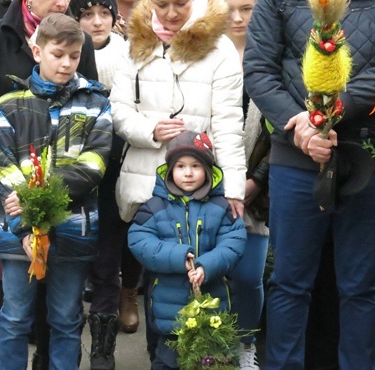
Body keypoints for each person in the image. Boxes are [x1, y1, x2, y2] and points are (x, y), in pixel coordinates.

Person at [243, 0, 375, 368]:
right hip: (295, 154)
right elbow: (259, 69)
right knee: (289, 284)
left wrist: (328, 114)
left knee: (360, 286)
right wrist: (300, 125)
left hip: (366, 152)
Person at [0, 0, 98, 364]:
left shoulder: (77, 45)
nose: (61, 1)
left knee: (63, 305)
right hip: (4, 163)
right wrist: (4, 160)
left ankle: (47, 349)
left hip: (68, 197)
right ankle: (5, 335)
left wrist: (42, 190)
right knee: (12, 273)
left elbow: (92, 131)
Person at [109, 0, 247, 358]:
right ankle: (160, 356)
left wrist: (232, 189)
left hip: (198, 187)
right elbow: (119, 110)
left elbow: (229, 124)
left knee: (195, 274)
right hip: (147, 181)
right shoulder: (135, 42)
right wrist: (149, 129)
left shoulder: (220, 49)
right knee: (157, 275)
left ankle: (193, 355)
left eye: (181, 4)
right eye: (162, 4)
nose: (171, 13)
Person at [0, 13, 112, 369]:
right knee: (13, 319)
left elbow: (93, 166)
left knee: (66, 319)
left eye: (74, 56)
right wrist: (28, 226)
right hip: (17, 237)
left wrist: (34, 199)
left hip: (74, 232)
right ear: (37, 50)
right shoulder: (8, 104)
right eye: (58, 54)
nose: (66, 63)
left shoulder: (97, 104)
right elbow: (3, 166)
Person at [128, 130, 247, 369]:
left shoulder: (221, 206)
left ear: (208, 171)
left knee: (212, 360)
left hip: (211, 307)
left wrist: (207, 265)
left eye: (196, 165)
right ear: (170, 170)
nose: (189, 173)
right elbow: (139, 240)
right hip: (169, 310)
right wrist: (178, 257)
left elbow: (234, 241)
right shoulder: (154, 207)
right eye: (181, 166)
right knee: (167, 359)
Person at [70, 0, 129, 367]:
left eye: (104, 13)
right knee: (73, 259)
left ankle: (103, 348)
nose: (96, 21)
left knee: (108, 257)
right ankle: (68, 338)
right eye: (87, 14)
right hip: (74, 168)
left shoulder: (127, 54)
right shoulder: (68, 52)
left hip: (114, 165)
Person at [223, 0, 267, 368]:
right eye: (229, 8)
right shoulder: (206, 53)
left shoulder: (272, 53)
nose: (237, 18)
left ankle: (245, 344)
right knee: (210, 272)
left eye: (246, 7)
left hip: (255, 191)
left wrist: (256, 181)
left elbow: (283, 129)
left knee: (249, 276)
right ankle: (209, 343)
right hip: (206, 182)